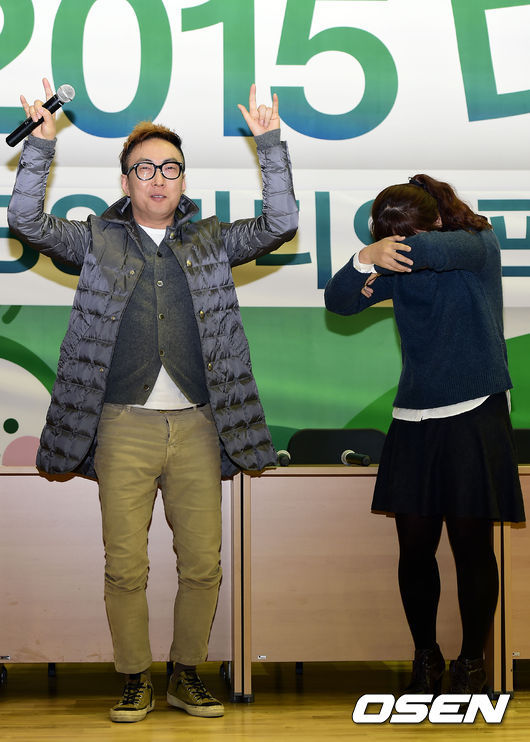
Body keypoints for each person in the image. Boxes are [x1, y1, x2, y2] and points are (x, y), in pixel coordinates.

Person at [8, 79, 298, 722]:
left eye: (170, 168)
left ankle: (186, 674)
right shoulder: (97, 240)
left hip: (199, 426)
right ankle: (135, 677)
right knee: (125, 566)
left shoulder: (211, 240)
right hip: (122, 426)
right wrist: (40, 148)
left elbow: (281, 222)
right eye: (145, 168)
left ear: (183, 180)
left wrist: (270, 146)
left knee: (203, 564)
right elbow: (25, 221)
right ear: (126, 181)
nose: (158, 178)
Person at [324, 174, 524, 695]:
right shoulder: (397, 264)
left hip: (475, 408)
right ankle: (426, 655)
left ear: (435, 219)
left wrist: (387, 250)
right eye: (389, 236)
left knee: (472, 545)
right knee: (414, 547)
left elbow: (433, 249)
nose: (401, 245)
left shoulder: (476, 244)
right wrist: (363, 259)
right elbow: (340, 301)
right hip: (414, 414)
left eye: (408, 234)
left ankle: (472, 661)